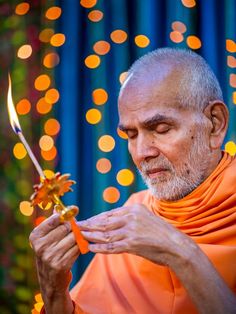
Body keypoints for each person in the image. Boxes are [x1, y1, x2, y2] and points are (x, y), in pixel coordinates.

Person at [30, 48, 236, 314]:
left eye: (161, 129)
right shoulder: (131, 219)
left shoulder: (136, 225)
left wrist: (179, 252)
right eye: (130, 134)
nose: (141, 153)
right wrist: (55, 296)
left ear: (215, 123)